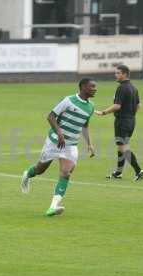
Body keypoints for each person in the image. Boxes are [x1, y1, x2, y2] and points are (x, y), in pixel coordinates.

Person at [21, 78, 97, 216]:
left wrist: (89, 143)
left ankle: (53, 206)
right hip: (54, 141)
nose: (95, 89)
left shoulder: (91, 107)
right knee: (40, 169)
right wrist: (59, 132)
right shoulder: (68, 100)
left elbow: (84, 125)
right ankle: (27, 174)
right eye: (92, 87)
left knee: (66, 173)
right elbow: (50, 117)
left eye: (95, 87)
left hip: (71, 145)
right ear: (83, 87)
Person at [95, 65, 143, 181]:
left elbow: (117, 106)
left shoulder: (122, 88)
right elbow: (139, 106)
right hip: (131, 121)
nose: (115, 75)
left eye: (118, 73)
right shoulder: (133, 87)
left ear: (125, 74)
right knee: (121, 146)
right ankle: (118, 172)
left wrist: (103, 112)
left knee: (123, 147)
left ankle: (139, 171)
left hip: (122, 121)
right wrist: (130, 116)